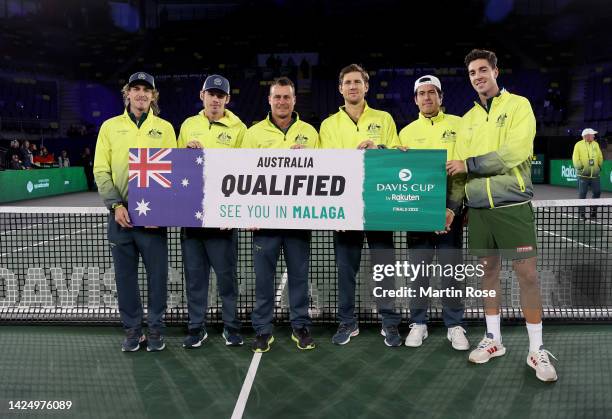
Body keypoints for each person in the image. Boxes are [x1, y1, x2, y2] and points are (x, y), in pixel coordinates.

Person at [447, 49, 558, 382]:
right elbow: (458, 170)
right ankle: (494, 339)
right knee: (488, 275)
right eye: (472, 72)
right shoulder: (466, 120)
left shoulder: (518, 106)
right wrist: (453, 208)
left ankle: (536, 349)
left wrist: (471, 164)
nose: (478, 76)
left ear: (496, 71)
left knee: (528, 276)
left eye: (483, 70)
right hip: (479, 211)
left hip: (512, 207)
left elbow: (516, 151)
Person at [319, 63, 403, 347]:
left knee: (384, 268)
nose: (353, 86)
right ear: (340, 88)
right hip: (345, 210)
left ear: (366, 86)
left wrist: (378, 150)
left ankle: (390, 322)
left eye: (358, 82)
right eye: (348, 82)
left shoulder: (385, 119)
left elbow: (396, 156)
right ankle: (347, 322)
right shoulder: (329, 125)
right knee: (345, 271)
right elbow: (326, 166)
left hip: (379, 206)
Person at [93, 71, 176, 352]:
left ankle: (155, 330)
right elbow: (100, 170)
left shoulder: (165, 128)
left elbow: (173, 172)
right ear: (127, 93)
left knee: (157, 277)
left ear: (153, 96)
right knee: (125, 278)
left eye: (147, 90)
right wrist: (115, 205)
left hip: (154, 217)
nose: (141, 94)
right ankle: (132, 330)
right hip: (120, 216)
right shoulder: (109, 127)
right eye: (136, 89)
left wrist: (162, 212)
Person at [242, 77, 319, 353]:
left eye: (287, 97)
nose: (282, 102)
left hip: (299, 219)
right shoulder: (253, 134)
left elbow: (322, 172)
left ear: (295, 99)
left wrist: (307, 156)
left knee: (299, 276)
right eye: (277, 97)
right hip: (265, 221)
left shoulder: (310, 132)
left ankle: (300, 326)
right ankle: (263, 330)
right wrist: (249, 213)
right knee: (264, 279)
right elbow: (245, 176)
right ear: (269, 100)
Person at [399, 75, 468, 350]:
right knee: (418, 272)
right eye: (422, 94)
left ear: (441, 97)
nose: (427, 98)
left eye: (432, 93)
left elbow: (461, 171)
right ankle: (419, 323)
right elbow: (400, 175)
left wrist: (451, 210)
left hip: (451, 213)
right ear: (415, 99)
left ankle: (454, 325)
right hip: (417, 214)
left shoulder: (460, 126)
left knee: (452, 271)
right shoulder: (406, 132)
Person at [177, 74, 246, 349]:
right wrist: (185, 150)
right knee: (195, 278)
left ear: (227, 99)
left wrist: (235, 213)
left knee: (227, 278)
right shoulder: (187, 125)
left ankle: (231, 327)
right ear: (202, 95)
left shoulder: (239, 128)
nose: (216, 99)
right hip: (191, 215)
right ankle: (196, 328)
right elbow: (178, 167)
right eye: (211, 93)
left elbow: (244, 173)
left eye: (221, 95)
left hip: (223, 217)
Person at [572, 128, 604, 219]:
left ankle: (593, 212)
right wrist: (580, 168)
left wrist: (599, 166)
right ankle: (582, 214)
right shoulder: (578, 145)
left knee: (597, 192)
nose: (594, 136)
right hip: (582, 175)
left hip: (595, 175)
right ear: (586, 136)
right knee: (582, 194)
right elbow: (575, 158)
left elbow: (600, 156)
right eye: (592, 134)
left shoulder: (596, 144)